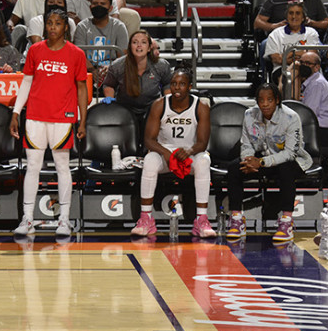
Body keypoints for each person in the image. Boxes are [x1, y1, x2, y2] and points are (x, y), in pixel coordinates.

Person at [9, 6, 88, 237]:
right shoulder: (34, 50)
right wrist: (16, 112)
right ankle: (28, 219)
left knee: (63, 166)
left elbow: (82, 88)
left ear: (66, 27)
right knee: (32, 166)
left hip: (63, 118)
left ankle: (64, 219)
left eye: (57, 23)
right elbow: (26, 82)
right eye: (49, 23)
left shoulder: (76, 54)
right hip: (34, 116)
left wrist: (82, 120)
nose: (53, 27)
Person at [133, 68, 215, 239]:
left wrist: (189, 151)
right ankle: (146, 219)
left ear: (190, 86)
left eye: (182, 84)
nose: (177, 88)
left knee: (204, 161)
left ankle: (201, 220)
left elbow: (202, 143)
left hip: (190, 153)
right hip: (165, 154)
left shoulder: (201, 106)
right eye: (174, 84)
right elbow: (148, 140)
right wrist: (166, 153)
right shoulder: (159, 105)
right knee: (149, 160)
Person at [225, 84, 311, 244]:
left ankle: (286, 222)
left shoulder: (291, 117)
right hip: (260, 160)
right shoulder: (249, 115)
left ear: (277, 100)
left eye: (269, 100)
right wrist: (249, 160)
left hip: (290, 161)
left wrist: (262, 162)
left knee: (286, 170)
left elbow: (290, 152)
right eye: (261, 100)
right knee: (235, 167)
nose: (265, 104)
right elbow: (246, 143)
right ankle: (237, 219)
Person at [101, 30, 171, 121]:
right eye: (135, 42)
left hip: (153, 110)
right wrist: (109, 98)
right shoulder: (117, 65)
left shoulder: (161, 65)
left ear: (149, 48)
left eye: (143, 42)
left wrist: (167, 102)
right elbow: (109, 84)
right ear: (130, 46)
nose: (139, 45)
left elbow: (167, 83)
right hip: (125, 110)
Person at [72, 0, 127, 76]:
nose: (98, 6)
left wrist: (111, 68)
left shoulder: (119, 26)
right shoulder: (82, 26)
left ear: (110, 8)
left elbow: (122, 57)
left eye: (102, 4)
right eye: (95, 3)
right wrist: (92, 71)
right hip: (87, 72)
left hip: (112, 72)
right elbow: (79, 55)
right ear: (90, 7)